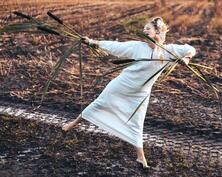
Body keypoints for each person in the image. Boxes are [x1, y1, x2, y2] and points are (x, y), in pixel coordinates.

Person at [62, 17, 196, 169]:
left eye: (148, 28)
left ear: (158, 32)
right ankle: (71, 124)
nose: (144, 30)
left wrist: (186, 58)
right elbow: (115, 46)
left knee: (137, 123)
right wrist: (93, 42)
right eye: (144, 28)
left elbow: (190, 49)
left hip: (140, 93)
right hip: (122, 85)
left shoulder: (167, 52)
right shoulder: (137, 46)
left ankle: (141, 157)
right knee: (100, 103)